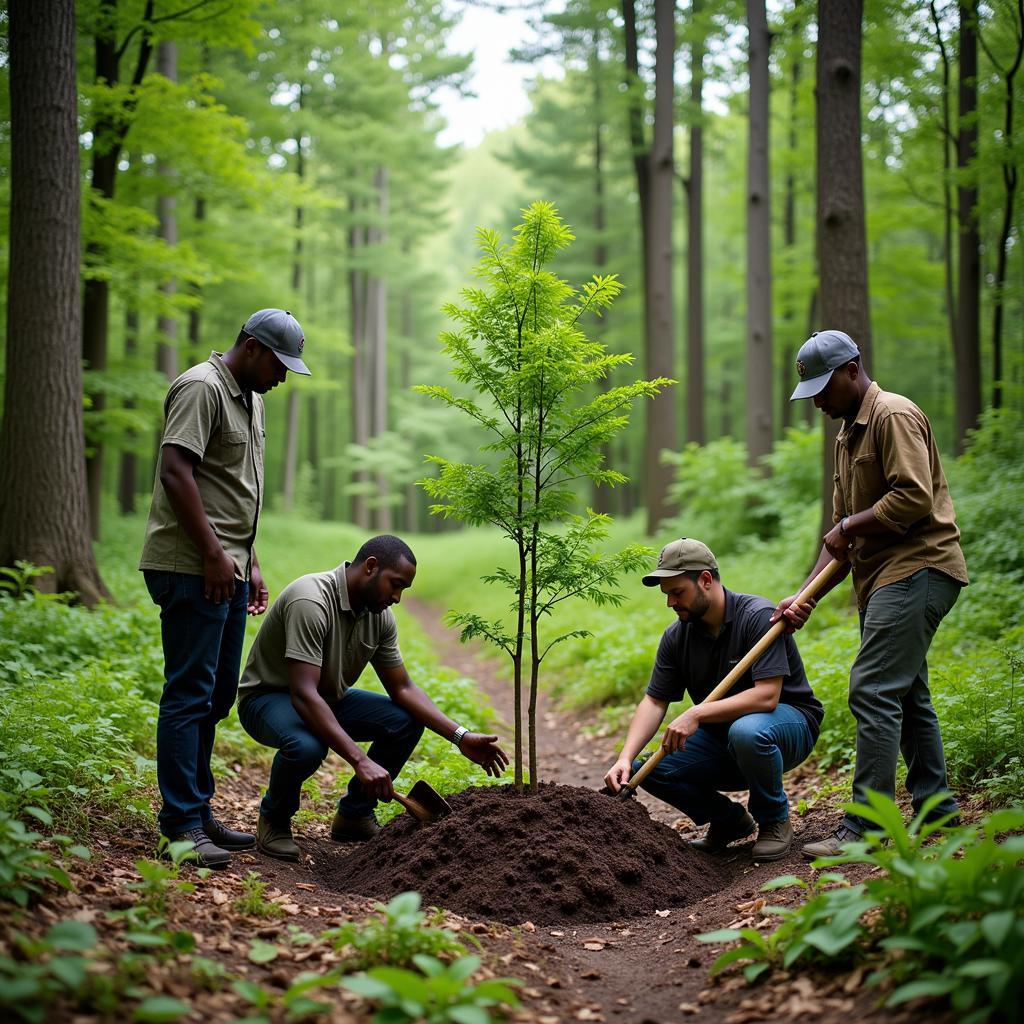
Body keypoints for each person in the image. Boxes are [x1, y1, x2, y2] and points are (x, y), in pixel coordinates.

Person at [774, 329, 968, 859]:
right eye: (809, 391)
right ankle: (938, 815)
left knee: (873, 686)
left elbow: (913, 497)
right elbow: (840, 537)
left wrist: (851, 527)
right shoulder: (846, 437)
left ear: (852, 369)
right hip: (883, 577)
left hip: (920, 566)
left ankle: (867, 827)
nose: (816, 400)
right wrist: (803, 597)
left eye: (822, 386)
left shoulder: (893, 416)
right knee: (907, 694)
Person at [139, 309, 311, 868]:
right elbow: (175, 473)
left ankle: (199, 810)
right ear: (253, 347)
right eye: (280, 365)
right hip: (191, 567)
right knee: (189, 694)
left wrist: (249, 559)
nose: (283, 377)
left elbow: (232, 491)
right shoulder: (201, 388)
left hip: (229, 568)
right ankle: (181, 826)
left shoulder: (252, 398)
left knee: (215, 698)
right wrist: (215, 555)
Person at [237, 534, 510, 861]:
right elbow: (303, 693)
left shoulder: (379, 617)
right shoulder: (310, 600)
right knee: (308, 745)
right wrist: (361, 760)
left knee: (405, 722)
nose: (396, 597)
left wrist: (460, 736)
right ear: (370, 567)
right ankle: (274, 820)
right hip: (269, 699)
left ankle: (354, 816)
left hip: (325, 699)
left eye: (403, 590)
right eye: (395, 584)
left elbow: (403, 689)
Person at [603, 539, 823, 862]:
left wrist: (698, 713)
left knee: (747, 731)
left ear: (705, 580)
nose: (670, 603)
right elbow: (654, 702)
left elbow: (767, 696)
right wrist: (624, 757)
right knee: (646, 769)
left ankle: (774, 820)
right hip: (725, 740)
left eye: (677, 592)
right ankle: (729, 822)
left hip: (786, 728)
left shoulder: (758, 617)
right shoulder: (677, 636)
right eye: (666, 595)